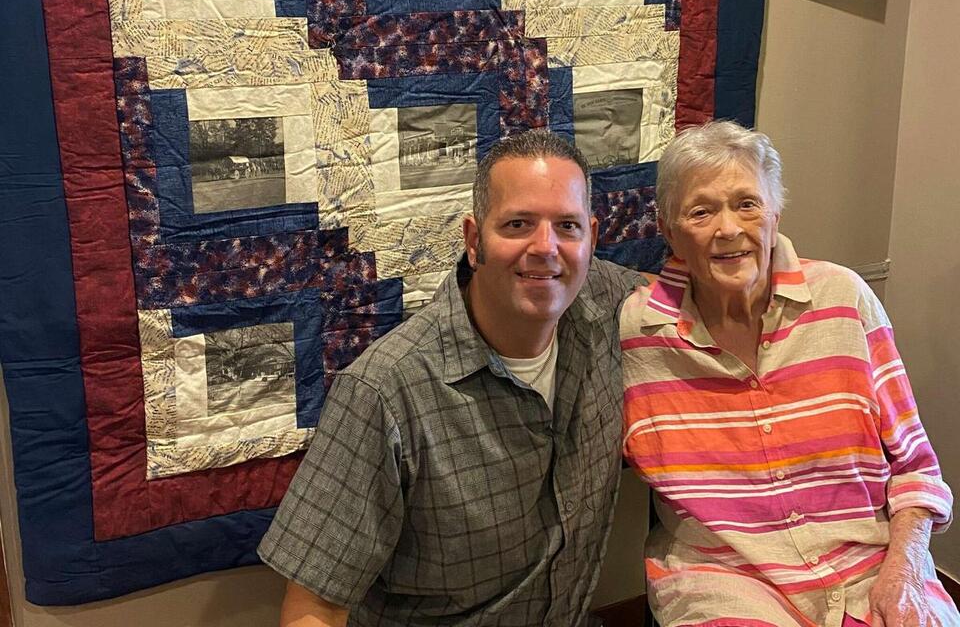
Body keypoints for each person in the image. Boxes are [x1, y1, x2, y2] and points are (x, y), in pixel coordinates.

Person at [259, 130, 640, 626]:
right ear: (474, 241)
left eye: (567, 226)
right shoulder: (384, 393)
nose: (546, 247)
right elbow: (312, 609)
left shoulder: (608, 302)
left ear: (591, 238)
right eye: (518, 224)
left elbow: (700, 291)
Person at [620, 120, 958, 626]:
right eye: (701, 211)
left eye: (747, 204)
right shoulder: (638, 329)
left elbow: (916, 468)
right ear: (670, 233)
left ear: (774, 215)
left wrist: (904, 569)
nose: (728, 229)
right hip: (724, 580)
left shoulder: (844, 298)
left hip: (870, 565)